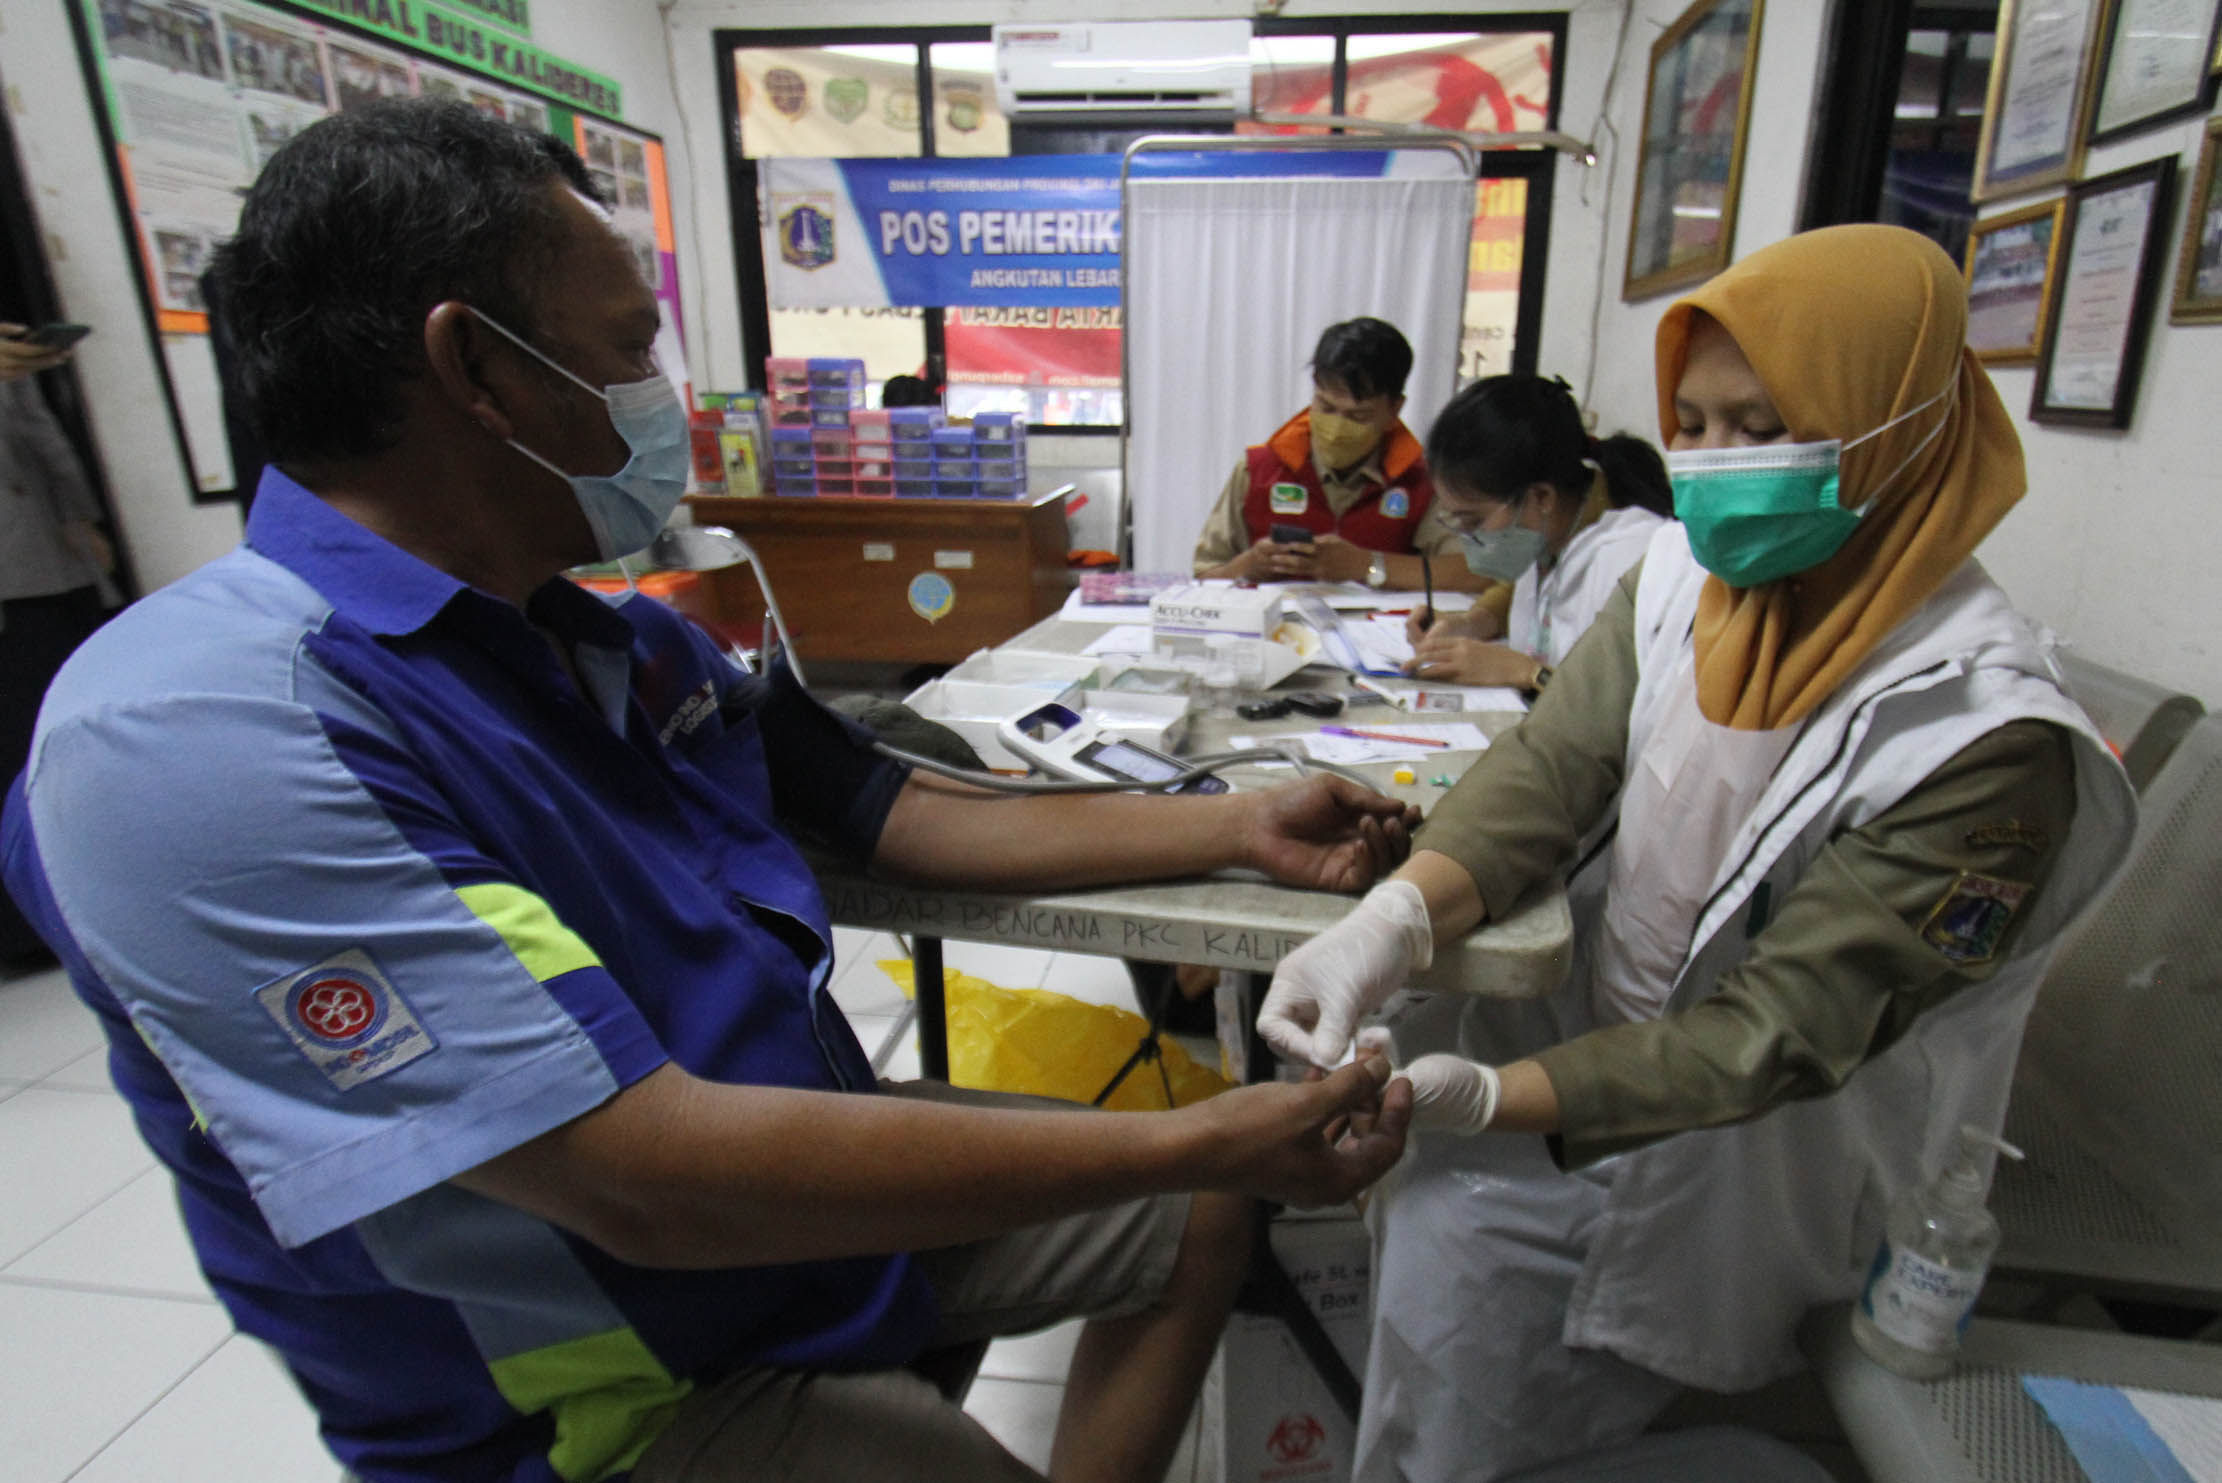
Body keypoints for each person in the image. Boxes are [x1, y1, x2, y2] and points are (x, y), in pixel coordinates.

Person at [0, 101, 1419, 1483]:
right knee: (1164, 1193)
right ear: (477, 371)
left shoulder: (607, 636)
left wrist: (1233, 820)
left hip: (788, 1229)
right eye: (628, 352)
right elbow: (642, 1176)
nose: (663, 401)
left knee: (1194, 1213)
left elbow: (896, 811)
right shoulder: (192, 735)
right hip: (621, 1388)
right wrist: (1190, 1124)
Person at [1254, 224, 2139, 1481]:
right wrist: (1386, 922)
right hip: (1610, 1062)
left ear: (1897, 425)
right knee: (1448, 1303)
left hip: (1765, 1154)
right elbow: (1549, 769)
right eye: (1699, 424)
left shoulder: (1982, 734)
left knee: (1475, 1291)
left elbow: (1780, 1030)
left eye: (1763, 423)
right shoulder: (1681, 580)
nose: (1718, 467)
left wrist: (1497, 1100)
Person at [1190, 318, 1487, 603]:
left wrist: (1368, 566)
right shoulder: (1258, 469)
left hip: (1382, 643)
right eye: (1326, 407)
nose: (1337, 427)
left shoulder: (1423, 480)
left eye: (1359, 416)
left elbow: (1475, 574)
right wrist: (1248, 566)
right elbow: (1203, 577)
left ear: (1395, 407)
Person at [1405, 374, 1670, 692]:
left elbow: (1633, 714)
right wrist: (1472, 623)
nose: (1466, 536)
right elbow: (1515, 592)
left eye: (1473, 521)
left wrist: (1527, 672)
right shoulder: (1548, 533)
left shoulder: (1633, 560)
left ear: (1541, 497)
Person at [0, 326, 115, 964]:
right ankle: (23, 932)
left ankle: (77, 910)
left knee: (48, 739)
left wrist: (82, 519)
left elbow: (41, 438)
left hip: (45, 564)